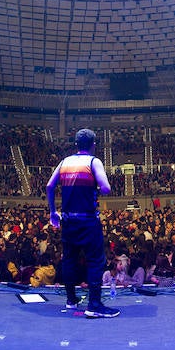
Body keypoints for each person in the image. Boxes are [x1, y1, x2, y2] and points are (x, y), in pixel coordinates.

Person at [47, 128, 119, 318]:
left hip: (68, 220)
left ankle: (71, 300)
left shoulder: (65, 162)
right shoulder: (94, 162)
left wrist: (53, 212)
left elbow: (49, 186)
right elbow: (106, 188)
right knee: (95, 261)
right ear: (94, 145)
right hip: (88, 220)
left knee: (69, 259)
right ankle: (94, 305)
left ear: (76, 144)